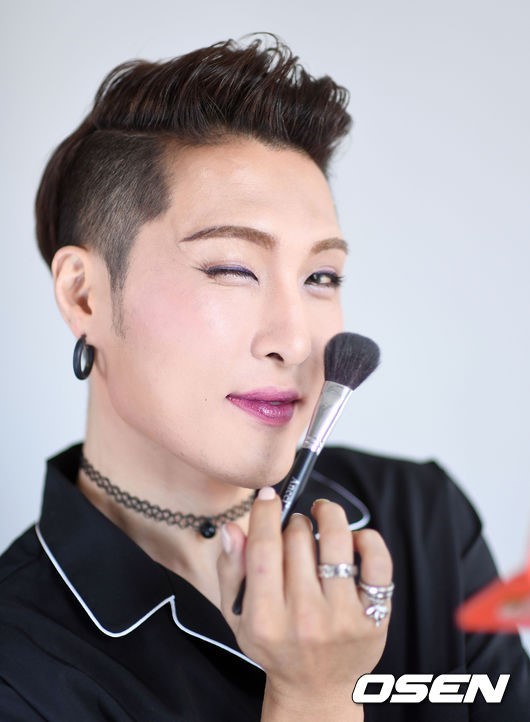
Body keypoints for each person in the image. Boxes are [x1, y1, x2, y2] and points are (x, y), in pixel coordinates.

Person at [0, 35, 528, 722]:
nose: (296, 340)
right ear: (84, 295)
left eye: (321, 277)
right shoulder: (19, 664)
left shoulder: (423, 521)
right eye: (233, 269)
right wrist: (315, 696)